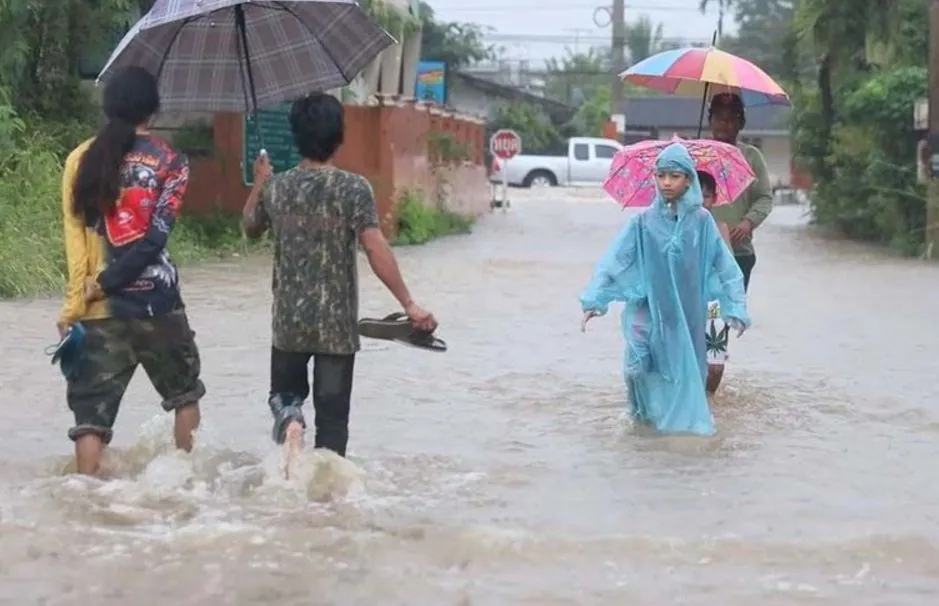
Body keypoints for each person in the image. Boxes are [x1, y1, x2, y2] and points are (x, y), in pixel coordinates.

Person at [241, 93, 438, 463]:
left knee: (284, 399)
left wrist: (259, 182)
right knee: (333, 425)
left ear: (297, 136)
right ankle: (328, 505)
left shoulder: (277, 188)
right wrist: (408, 303)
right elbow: (375, 246)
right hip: (336, 330)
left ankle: (291, 423)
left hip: (288, 324)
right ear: (338, 136)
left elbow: (250, 228)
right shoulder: (353, 188)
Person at [58, 66, 205, 475]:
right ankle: (183, 485)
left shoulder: (79, 160)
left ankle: (83, 499)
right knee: (185, 396)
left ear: (109, 107)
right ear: (153, 110)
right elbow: (154, 240)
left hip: (98, 309)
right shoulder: (172, 161)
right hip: (159, 305)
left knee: (90, 418)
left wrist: (75, 306)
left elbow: (76, 244)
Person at [580, 142, 750, 435]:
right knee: (636, 367)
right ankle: (642, 420)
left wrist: (735, 308)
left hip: (687, 313)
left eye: (674, 175)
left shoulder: (702, 223)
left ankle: (678, 431)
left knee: (683, 370)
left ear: (688, 179)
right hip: (647, 308)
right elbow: (616, 261)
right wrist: (595, 300)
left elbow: (725, 267)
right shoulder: (642, 223)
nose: (667, 182)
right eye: (661, 176)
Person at [707, 92, 773, 292]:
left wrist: (748, 222)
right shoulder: (698, 155)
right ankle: (714, 323)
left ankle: (726, 324)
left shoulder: (752, 157)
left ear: (741, 123)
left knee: (732, 310)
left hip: (739, 253)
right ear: (709, 121)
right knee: (711, 309)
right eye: (718, 118)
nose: (723, 124)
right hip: (703, 250)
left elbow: (764, 198)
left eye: (730, 119)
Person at [698, 170, 733, 396]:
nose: (701, 201)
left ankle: (708, 401)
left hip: (715, 305)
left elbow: (730, 271)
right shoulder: (672, 228)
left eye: (707, 196)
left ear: (715, 198)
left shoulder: (720, 228)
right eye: (696, 194)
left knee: (715, 366)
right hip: (684, 301)